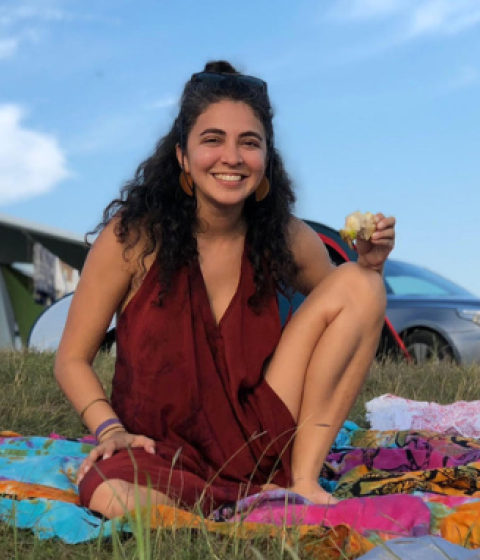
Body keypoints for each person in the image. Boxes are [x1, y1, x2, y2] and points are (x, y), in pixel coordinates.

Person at [55, 60, 396, 519]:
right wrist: (109, 429)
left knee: (363, 284)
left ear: (266, 159)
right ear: (182, 155)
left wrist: (369, 266)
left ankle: (302, 483)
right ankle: (217, 513)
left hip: (261, 438)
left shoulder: (286, 236)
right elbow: (71, 358)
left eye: (249, 143)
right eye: (212, 140)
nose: (232, 157)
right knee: (112, 497)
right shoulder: (133, 237)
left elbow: (350, 310)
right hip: (159, 447)